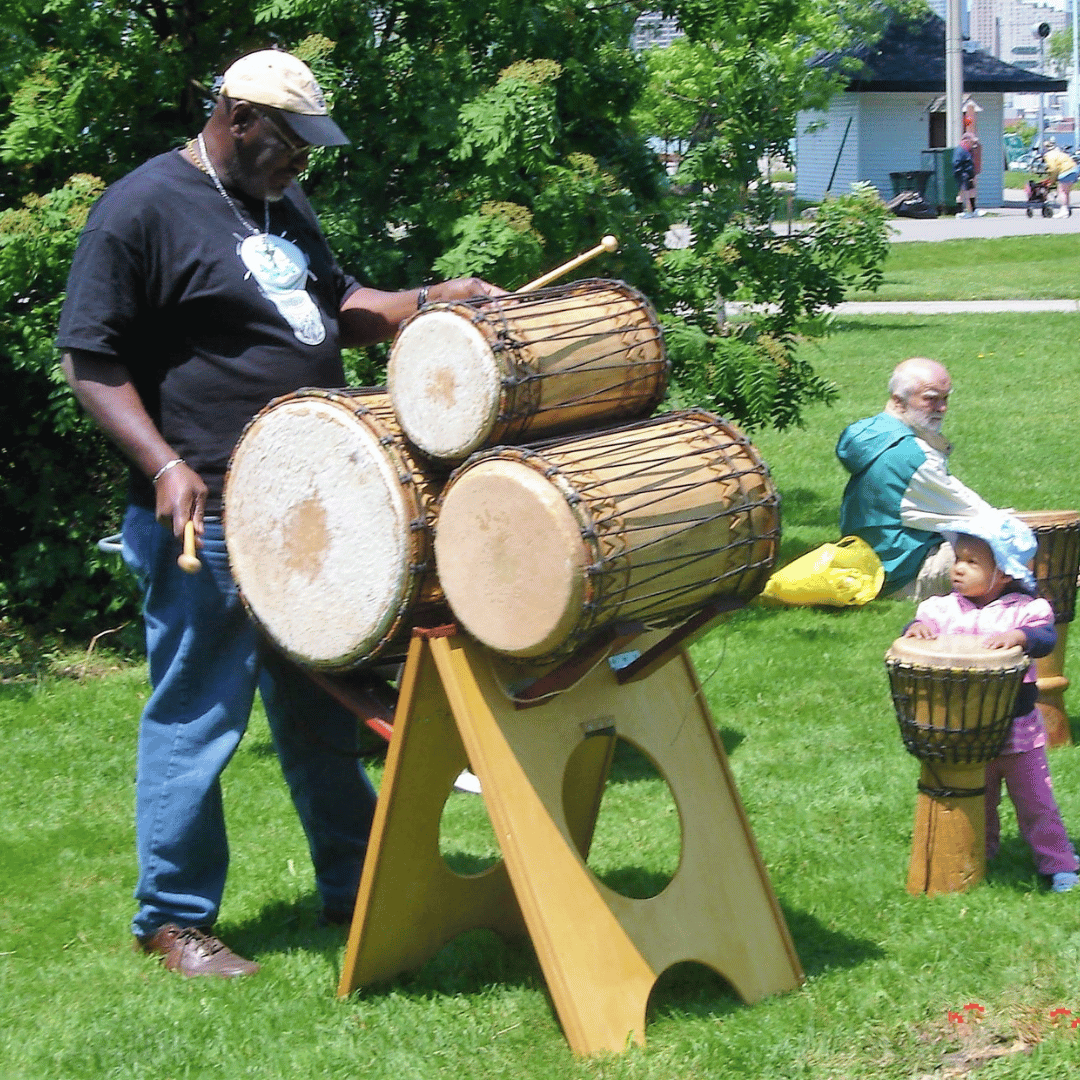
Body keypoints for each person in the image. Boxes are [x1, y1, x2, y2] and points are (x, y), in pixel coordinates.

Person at [56, 49, 502, 977]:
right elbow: (89, 359)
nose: (302, 161)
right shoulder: (140, 208)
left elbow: (336, 309)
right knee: (198, 715)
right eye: (291, 142)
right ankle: (172, 917)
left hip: (310, 502)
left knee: (320, 714)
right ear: (237, 117)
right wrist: (163, 463)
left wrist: (433, 300)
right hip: (207, 513)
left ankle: (360, 886)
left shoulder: (278, 201)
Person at [902, 512, 1079, 893]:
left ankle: (1059, 863)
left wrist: (1018, 636)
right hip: (967, 732)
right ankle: (984, 853)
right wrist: (916, 630)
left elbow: (1044, 638)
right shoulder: (942, 609)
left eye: (972, 561)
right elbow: (919, 629)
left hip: (1018, 733)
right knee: (978, 803)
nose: (959, 569)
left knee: (1036, 804)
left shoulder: (1025, 610)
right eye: (958, 559)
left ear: (1006, 571)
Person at [836, 357, 998, 600]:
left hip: (866, 566)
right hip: (900, 578)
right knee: (998, 551)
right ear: (898, 401)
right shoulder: (911, 457)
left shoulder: (874, 432)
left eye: (945, 398)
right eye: (931, 398)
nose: (942, 408)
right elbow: (973, 514)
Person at [1041, 138, 1079, 218]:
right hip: (1074, 169)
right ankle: (1066, 210)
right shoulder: (1059, 153)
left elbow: (1053, 169)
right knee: (1066, 192)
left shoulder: (1048, 156)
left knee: (1061, 191)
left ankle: (1064, 210)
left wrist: (1051, 181)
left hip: (1066, 171)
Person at [952, 133, 979, 218]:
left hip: (968, 175)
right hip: (963, 175)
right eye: (972, 142)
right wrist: (963, 173)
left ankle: (973, 211)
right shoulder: (960, 150)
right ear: (966, 141)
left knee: (971, 192)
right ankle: (961, 212)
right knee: (963, 193)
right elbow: (956, 163)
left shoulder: (968, 150)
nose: (973, 144)